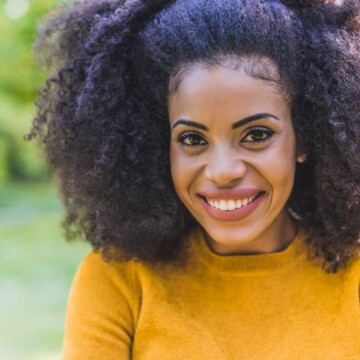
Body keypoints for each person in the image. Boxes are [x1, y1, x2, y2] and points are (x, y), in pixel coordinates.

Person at [29, 0, 360, 358]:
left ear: (305, 137)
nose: (221, 171)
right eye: (192, 139)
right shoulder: (119, 279)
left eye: (257, 134)